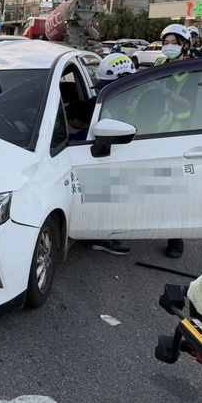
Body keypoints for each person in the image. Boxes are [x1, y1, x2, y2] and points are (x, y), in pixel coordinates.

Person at [84, 54, 137, 256]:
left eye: (108, 86)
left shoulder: (140, 100)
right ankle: (98, 235)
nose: (102, 90)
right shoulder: (101, 99)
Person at [154, 23, 195, 259]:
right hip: (154, 129)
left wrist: (166, 93)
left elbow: (190, 104)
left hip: (179, 134)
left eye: (174, 43)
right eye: (166, 43)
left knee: (175, 189)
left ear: (185, 46)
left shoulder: (192, 71)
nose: (169, 47)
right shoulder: (159, 65)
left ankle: (175, 237)